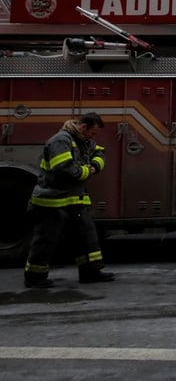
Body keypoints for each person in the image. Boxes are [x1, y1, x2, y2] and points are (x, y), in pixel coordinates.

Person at [23, 112, 115, 288]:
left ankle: (90, 272)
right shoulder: (61, 141)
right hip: (52, 202)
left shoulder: (83, 141)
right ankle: (35, 277)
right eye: (93, 133)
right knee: (46, 240)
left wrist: (94, 166)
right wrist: (86, 172)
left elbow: (100, 153)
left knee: (87, 236)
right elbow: (65, 169)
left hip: (74, 200)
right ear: (83, 127)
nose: (93, 137)